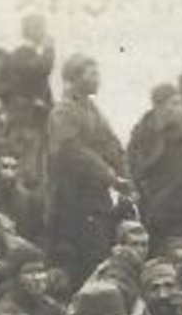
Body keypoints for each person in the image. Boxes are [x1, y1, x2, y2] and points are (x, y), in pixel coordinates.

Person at [48, 54, 126, 287]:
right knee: (78, 261)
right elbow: (71, 150)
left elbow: (112, 144)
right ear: (74, 78)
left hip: (96, 198)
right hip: (72, 199)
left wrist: (124, 171)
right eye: (92, 74)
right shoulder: (64, 111)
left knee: (99, 256)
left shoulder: (93, 110)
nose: (97, 79)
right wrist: (109, 174)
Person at [127, 83, 182, 249]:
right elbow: (132, 167)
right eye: (174, 103)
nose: (180, 109)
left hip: (177, 218)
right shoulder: (140, 134)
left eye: (181, 104)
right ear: (159, 106)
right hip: (145, 213)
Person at [0, 14, 56, 184]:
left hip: (30, 119)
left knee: (33, 165)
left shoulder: (26, 54)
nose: (44, 32)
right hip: (26, 121)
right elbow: (40, 69)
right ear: (31, 30)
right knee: (28, 168)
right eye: (40, 27)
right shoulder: (23, 53)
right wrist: (49, 50)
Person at [0, 243, 67, 315]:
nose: (37, 278)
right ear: (15, 277)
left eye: (41, 271)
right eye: (29, 272)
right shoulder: (4, 312)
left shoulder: (52, 307)